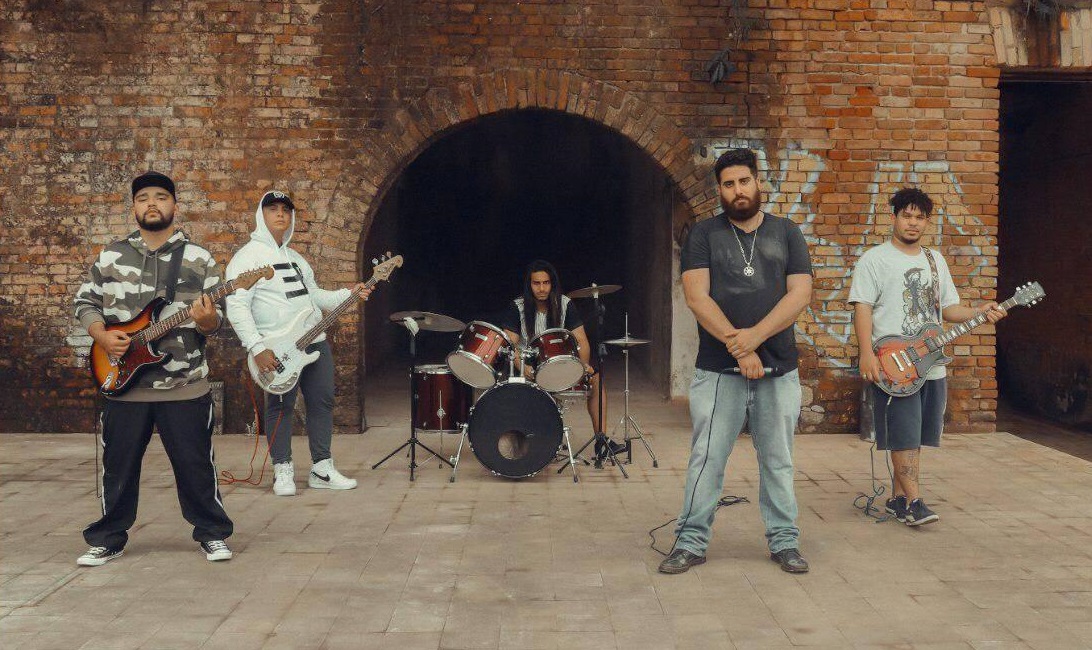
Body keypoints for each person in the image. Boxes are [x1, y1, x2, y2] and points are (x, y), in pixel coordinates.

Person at [659, 149, 813, 575]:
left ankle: (784, 542)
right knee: (707, 458)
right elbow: (697, 298)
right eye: (728, 184)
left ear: (758, 182)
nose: (738, 190)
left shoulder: (787, 232)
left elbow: (800, 294)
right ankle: (690, 542)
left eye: (744, 181)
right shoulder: (704, 235)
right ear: (719, 190)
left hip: (778, 368)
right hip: (717, 370)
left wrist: (753, 341)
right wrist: (741, 350)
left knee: (777, 460)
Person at [73, 171, 234, 566]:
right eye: (143, 197)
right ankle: (109, 537)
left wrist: (208, 319)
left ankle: (212, 533)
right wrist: (102, 336)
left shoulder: (198, 258)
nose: (152, 204)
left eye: (161, 197)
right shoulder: (111, 256)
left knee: (196, 466)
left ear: (174, 205)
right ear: (133, 206)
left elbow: (218, 320)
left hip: (185, 384)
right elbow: (85, 303)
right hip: (123, 384)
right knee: (118, 469)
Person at [850, 187, 1006, 526]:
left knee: (915, 435)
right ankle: (915, 501)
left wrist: (979, 312)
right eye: (906, 216)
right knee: (903, 433)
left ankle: (897, 500)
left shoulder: (935, 261)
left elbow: (948, 309)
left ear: (926, 222)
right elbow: (862, 308)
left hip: (930, 364)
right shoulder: (874, 260)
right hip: (893, 363)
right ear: (894, 217)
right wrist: (866, 354)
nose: (913, 223)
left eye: (919, 218)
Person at [225, 190, 371, 496]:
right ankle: (282, 468)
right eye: (273, 209)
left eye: (286, 209)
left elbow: (314, 295)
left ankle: (322, 468)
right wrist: (256, 347)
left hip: (314, 341)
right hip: (275, 349)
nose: (281, 214)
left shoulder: (296, 259)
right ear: (261, 215)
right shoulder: (247, 258)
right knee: (280, 407)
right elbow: (237, 307)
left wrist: (349, 294)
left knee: (322, 402)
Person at [500, 259, 625, 460]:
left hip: (559, 366)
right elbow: (509, 344)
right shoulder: (518, 307)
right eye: (536, 283)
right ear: (529, 285)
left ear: (552, 284)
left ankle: (601, 441)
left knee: (596, 379)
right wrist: (521, 367)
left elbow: (581, 340)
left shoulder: (565, 304)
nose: (542, 288)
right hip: (528, 369)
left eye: (546, 283)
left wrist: (582, 366)